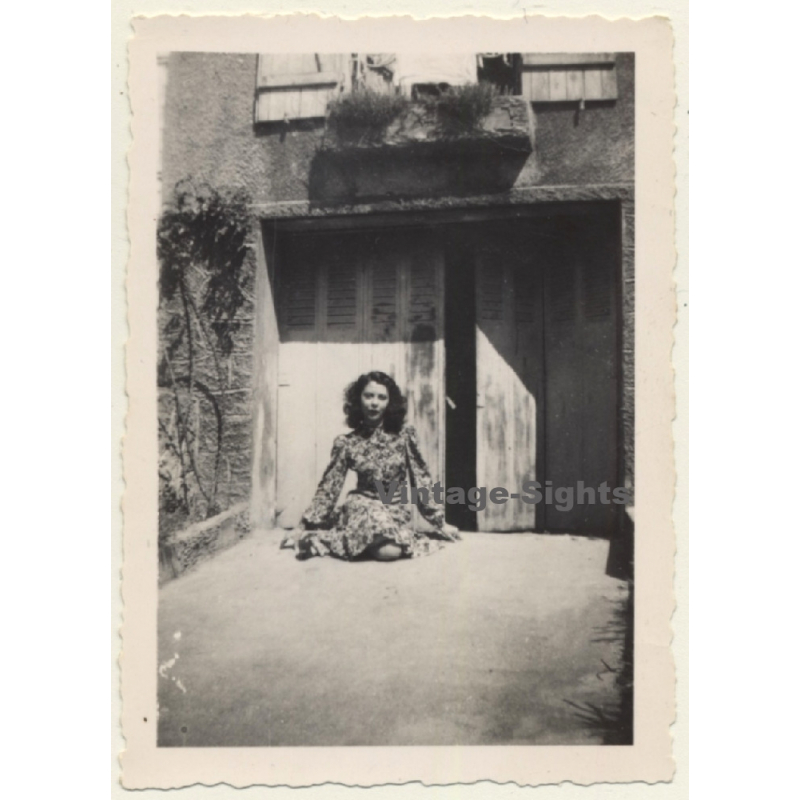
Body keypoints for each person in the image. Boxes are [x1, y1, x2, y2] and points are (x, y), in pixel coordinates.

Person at [282, 371, 461, 561]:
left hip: (393, 508)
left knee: (389, 550)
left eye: (382, 397)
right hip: (362, 505)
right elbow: (329, 487)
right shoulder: (347, 443)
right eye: (368, 396)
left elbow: (421, 478)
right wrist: (302, 525)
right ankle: (331, 536)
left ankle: (327, 539)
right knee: (387, 547)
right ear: (358, 400)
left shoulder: (404, 436)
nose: (374, 403)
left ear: (390, 403)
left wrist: (440, 523)